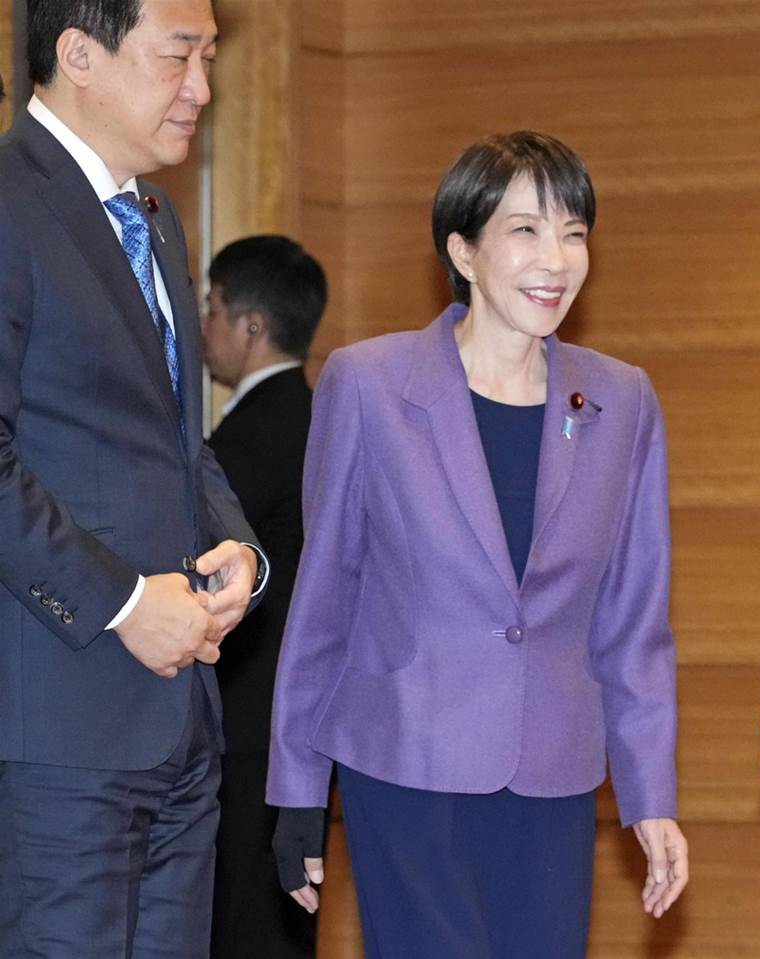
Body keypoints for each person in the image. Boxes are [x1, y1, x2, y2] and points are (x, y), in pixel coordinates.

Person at [267, 131, 688, 957]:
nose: (555, 259)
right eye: (525, 230)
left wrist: (651, 796)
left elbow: (634, 623)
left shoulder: (623, 400)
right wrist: (297, 784)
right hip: (405, 764)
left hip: (553, 774)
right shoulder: (369, 384)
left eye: (573, 232)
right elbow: (325, 601)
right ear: (462, 251)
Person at [0, 2, 266, 956]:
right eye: (177, 57)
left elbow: (176, 439)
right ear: (78, 53)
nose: (202, 88)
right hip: (57, 737)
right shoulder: (9, 203)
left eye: (210, 58)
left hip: (179, 730)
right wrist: (122, 602)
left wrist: (237, 547)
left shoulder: (153, 219)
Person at [203, 236, 327, 959]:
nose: (204, 324)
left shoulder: (254, 433)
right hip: (299, 722)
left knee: (246, 926)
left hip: (250, 720)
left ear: (251, 325)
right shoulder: (316, 416)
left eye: (212, 307)